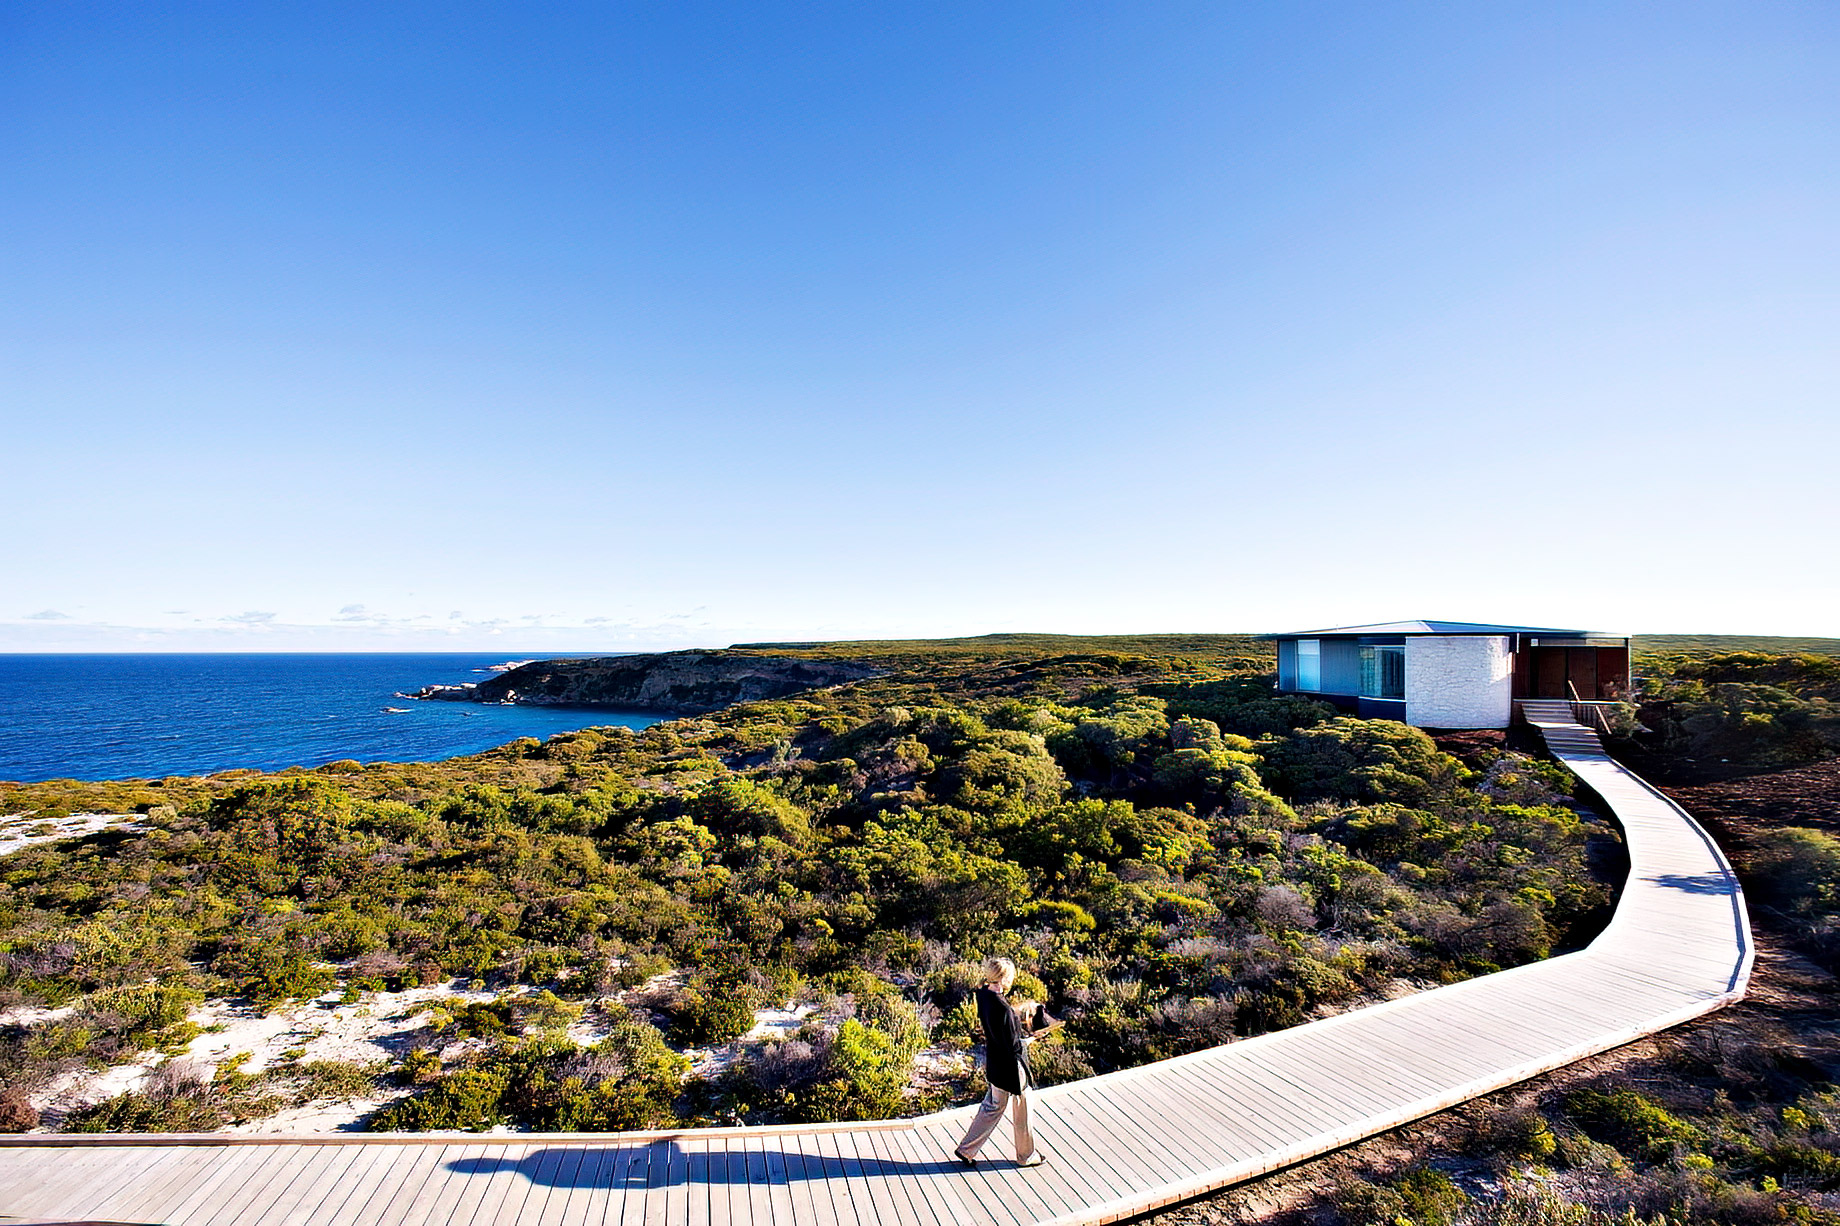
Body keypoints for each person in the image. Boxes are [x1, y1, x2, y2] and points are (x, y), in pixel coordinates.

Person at [953, 956, 1048, 1168]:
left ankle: (966, 1149)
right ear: (1004, 978)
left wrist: (1018, 1011)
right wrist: (1032, 1038)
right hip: (1012, 1068)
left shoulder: (984, 996)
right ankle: (1026, 1155)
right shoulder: (1004, 1010)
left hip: (995, 1063)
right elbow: (1014, 1046)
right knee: (1023, 1108)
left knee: (993, 1106)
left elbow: (1000, 1021)